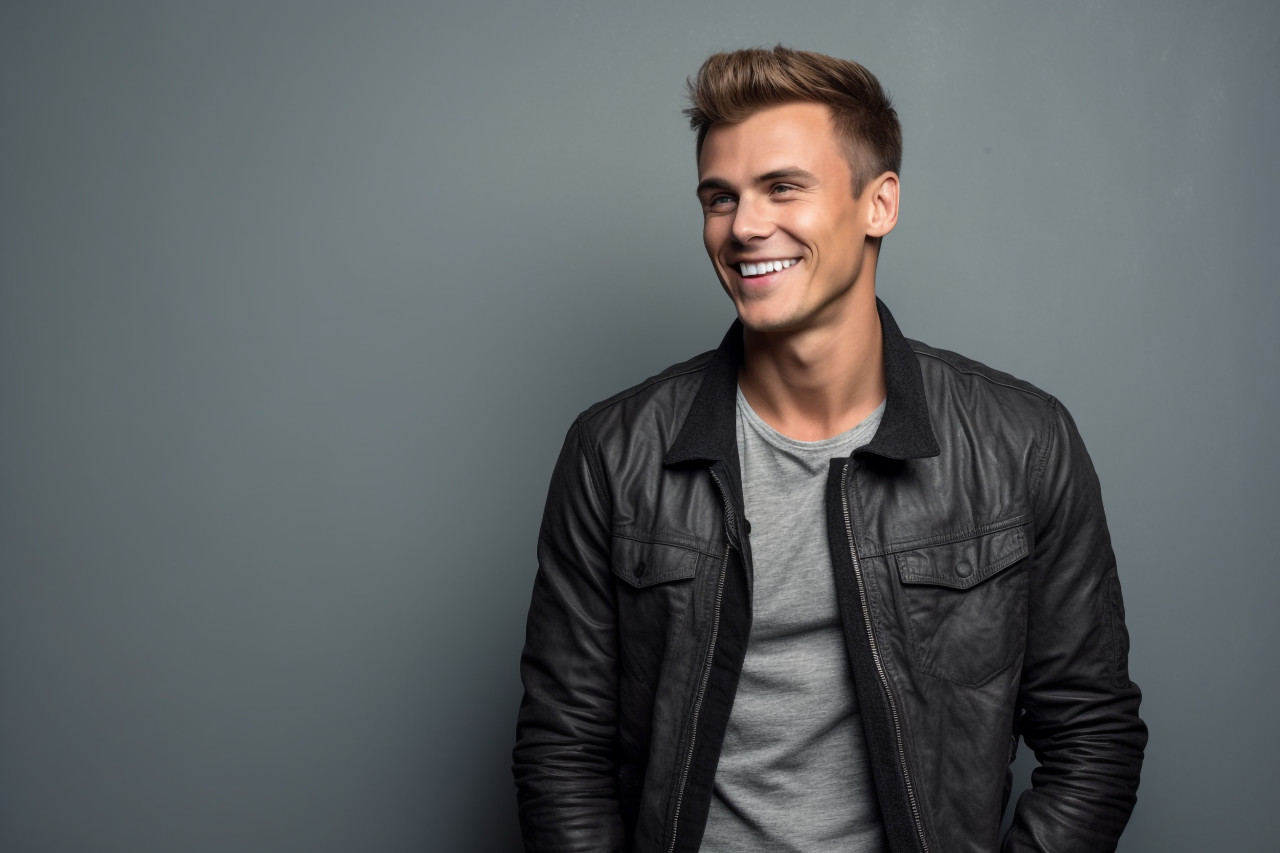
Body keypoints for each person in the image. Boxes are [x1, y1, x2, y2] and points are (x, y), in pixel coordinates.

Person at [513, 46, 1146, 853]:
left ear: (878, 203)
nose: (744, 226)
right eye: (720, 197)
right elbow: (562, 750)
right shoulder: (613, 452)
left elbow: (1093, 735)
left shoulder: (1023, 444)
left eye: (782, 187)